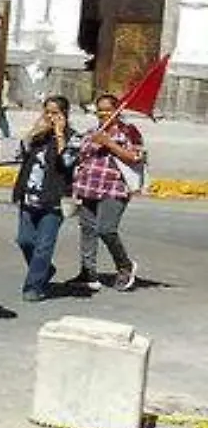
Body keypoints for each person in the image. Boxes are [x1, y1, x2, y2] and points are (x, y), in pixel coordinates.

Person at [72, 93, 146, 293]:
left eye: (108, 109)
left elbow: (136, 157)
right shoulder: (92, 131)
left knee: (106, 229)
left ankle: (125, 266)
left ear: (117, 111)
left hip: (114, 187)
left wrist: (109, 143)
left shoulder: (129, 132)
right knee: (87, 229)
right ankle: (88, 271)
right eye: (100, 110)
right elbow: (82, 156)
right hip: (89, 186)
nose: (103, 114)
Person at [14, 96, 77, 302]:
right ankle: (43, 270)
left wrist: (60, 135)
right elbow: (20, 153)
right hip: (29, 196)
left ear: (65, 114)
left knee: (44, 245)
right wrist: (33, 132)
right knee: (25, 240)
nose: (50, 117)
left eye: (55, 113)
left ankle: (33, 286)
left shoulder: (73, 137)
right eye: (47, 112)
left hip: (53, 200)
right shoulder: (39, 137)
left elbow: (67, 161)